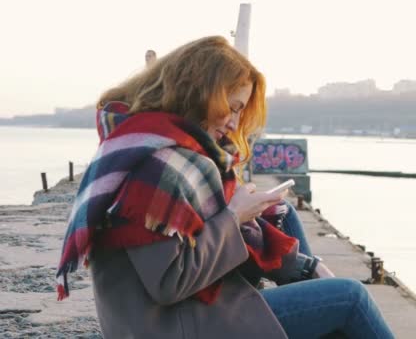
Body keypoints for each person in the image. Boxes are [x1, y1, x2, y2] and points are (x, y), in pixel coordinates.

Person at [56, 36, 394, 338]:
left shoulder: (154, 145)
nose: (234, 123)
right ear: (199, 93)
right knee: (350, 298)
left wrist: (301, 261)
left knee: (281, 213)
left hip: (184, 313)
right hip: (171, 324)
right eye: (230, 108)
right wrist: (233, 216)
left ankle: (315, 293)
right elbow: (169, 283)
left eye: (240, 111)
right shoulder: (159, 167)